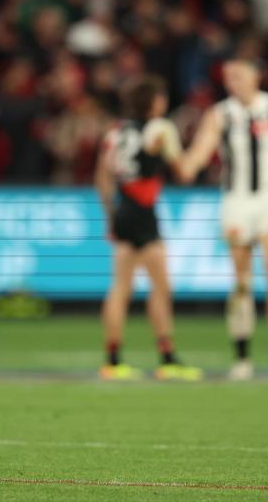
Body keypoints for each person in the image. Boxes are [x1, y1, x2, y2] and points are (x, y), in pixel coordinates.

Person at [180, 58, 268, 381]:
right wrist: (187, 165)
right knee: (241, 281)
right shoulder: (220, 114)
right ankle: (242, 357)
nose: (232, 83)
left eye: (238, 76)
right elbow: (201, 149)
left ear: (255, 77)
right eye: (227, 79)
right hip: (237, 202)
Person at [94, 75, 203, 381]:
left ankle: (113, 360)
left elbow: (102, 179)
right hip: (144, 210)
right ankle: (167, 358)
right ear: (154, 102)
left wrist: (110, 217)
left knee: (120, 287)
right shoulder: (161, 128)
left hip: (122, 208)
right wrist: (195, 156)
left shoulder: (116, 131)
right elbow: (182, 172)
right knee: (161, 287)